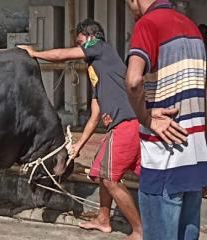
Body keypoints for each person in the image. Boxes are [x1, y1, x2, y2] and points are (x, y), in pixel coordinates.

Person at [18, 18, 142, 240]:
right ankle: (104, 220)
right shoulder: (100, 76)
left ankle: (139, 230)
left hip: (126, 124)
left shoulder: (100, 46)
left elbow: (63, 55)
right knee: (103, 173)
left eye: (80, 42)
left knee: (111, 179)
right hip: (117, 127)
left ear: (90, 37)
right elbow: (94, 116)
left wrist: (34, 53)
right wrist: (77, 146)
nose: (80, 47)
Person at [125, 0, 207, 239]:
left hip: (165, 158)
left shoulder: (148, 24)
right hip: (195, 156)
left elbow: (133, 81)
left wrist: (147, 119)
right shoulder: (192, 27)